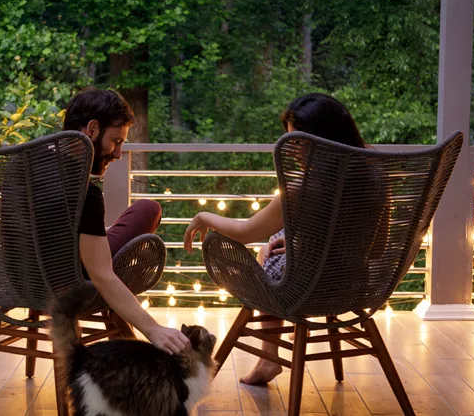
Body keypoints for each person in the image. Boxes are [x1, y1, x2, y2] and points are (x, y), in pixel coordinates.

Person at [183, 93, 368, 383]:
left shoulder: (302, 189)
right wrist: (300, 245)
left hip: (307, 288)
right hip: (356, 284)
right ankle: (267, 359)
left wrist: (204, 216)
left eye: (298, 140)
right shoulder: (375, 179)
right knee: (278, 243)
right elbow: (376, 246)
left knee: (263, 256)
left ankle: (268, 359)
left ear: (322, 139)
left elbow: (246, 231)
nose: (292, 148)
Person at [64, 86, 190, 355]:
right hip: (75, 278)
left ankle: (124, 336)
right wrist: (153, 329)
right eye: (116, 141)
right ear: (92, 129)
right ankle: (127, 338)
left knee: (139, 212)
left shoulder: (21, 170)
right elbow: (101, 275)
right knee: (149, 209)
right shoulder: (86, 193)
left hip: (26, 276)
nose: (118, 153)